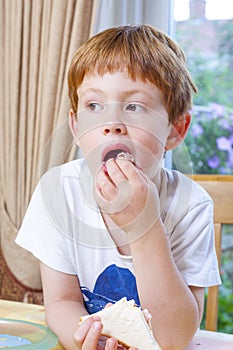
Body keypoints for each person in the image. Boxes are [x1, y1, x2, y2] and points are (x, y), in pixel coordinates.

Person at [16, 24, 221, 350]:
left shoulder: (191, 205)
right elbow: (60, 302)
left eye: (134, 106)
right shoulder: (57, 192)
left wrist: (145, 226)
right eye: (94, 106)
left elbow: (176, 338)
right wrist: (86, 340)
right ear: (76, 125)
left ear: (175, 129)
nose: (110, 123)